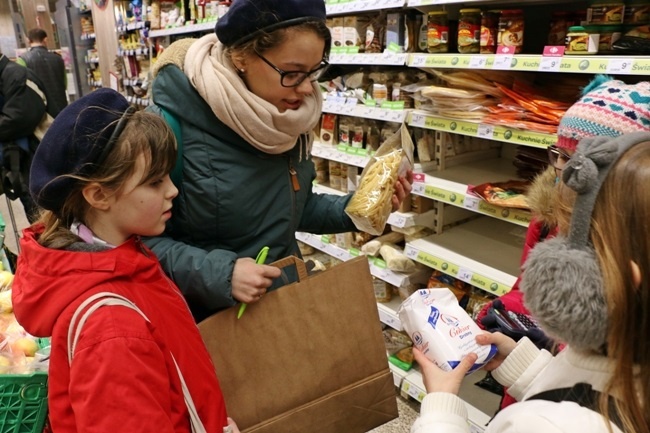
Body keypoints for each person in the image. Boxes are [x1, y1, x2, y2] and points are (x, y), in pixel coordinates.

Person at [145, 0, 413, 322]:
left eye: (314, 71)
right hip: (210, 321)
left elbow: (288, 209)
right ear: (241, 56)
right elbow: (138, 241)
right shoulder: (168, 127)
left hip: (282, 306)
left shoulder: (285, 118)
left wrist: (356, 208)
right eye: (292, 73)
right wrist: (221, 274)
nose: (305, 89)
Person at [11, 88, 238, 433]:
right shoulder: (111, 329)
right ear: (99, 195)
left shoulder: (125, 261)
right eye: (154, 181)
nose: (172, 190)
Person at [412, 131, 650, 433]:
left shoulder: (539, 424)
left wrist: (441, 409)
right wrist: (525, 368)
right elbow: (588, 391)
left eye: (572, 241)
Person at [476, 76, 650, 408]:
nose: (566, 174)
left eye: (584, 164)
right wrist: (499, 311)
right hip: (541, 380)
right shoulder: (548, 220)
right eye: (561, 155)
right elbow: (525, 286)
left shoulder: (630, 247)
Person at [0, 50, 48, 222]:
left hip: (36, 158)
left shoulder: (17, 75)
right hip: (19, 159)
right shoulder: (7, 75)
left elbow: (18, 119)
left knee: (40, 211)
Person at [17, 28, 68, 118]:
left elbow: (21, 88)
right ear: (45, 40)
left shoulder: (22, 60)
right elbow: (65, 84)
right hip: (61, 107)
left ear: (28, 41)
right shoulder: (58, 59)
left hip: (39, 109)